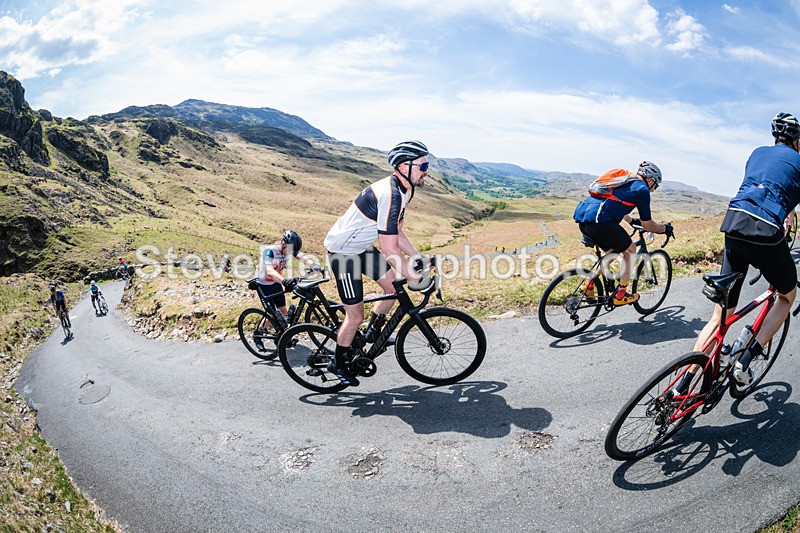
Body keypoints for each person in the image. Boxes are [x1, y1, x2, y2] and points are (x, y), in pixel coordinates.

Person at [690, 112, 800, 387]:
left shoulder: (756, 153)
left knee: (720, 315)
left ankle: (682, 385)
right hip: (764, 231)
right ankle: (745, 360)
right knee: (788, 296)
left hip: (733, 222)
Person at [323, 140, 435, 386]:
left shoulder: (405, 190)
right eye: (424, 165)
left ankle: (373, 334)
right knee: (355, 316)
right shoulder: (391, 194)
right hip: (344, 254)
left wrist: (417, 258)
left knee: (393, 289)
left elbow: (396, 233)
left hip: (361, 247)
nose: (427, 170)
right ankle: (338, 363)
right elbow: (389, 249)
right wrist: (416, 278)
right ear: (404, 166)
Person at [573, 161, 674, 305]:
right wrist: (665, 228)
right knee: (631, 250)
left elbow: (614, 202)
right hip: (600, 221)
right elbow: (648, 225)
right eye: (655, 186)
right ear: (650, 180)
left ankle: (589, 285)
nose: (654, 190)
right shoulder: (642, 190)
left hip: (584, 218)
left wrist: (630, 220)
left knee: (613, 250)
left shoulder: (626, 181)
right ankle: (620, 295)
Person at [254, 230, 319, 323]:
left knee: (283, 311)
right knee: (272, 314)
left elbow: (301, 256)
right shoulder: (269, 251)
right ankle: (259, 333)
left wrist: (313, 264)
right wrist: (284, 281)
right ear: (284, 244)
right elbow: (269, 271)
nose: (291, 253)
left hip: (275, 282)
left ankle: (280, 334)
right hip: (263, 284)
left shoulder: (288, 249)